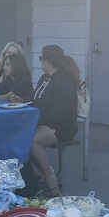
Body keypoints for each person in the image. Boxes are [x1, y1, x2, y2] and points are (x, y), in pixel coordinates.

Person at [29, 44, 81, 198]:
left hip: (62, 126)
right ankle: (37, 177)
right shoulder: (45, 78)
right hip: (45, 122)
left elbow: (60, 112)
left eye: (41, 58)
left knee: (32, 141)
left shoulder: (63, 81)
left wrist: (39, 121)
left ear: (47, 61)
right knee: (22, 138)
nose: (40, 62)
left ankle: (51, 182)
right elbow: (36, 101)